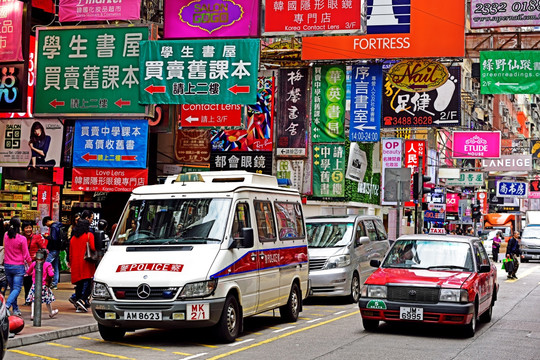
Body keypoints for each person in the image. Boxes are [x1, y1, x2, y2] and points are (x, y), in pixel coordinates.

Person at [3, 217, 32, 316]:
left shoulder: (6, 235)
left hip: (7, 265)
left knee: (12, 289)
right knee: (17, 288)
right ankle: (6, 306)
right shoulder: (22, 239)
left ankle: (15, 309)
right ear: (19, 227)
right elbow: (26, 255)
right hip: (18, 266)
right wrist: (32, 266)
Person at [69, 218, 96, 312]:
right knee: (89, 283)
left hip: (76, 263)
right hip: (86, 263)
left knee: (79, 285)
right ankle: (82, 300)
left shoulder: (73, 238)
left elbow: (70, 253)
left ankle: (78, 301)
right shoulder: (89, 235)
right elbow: (93, 247)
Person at [25, 249, 58, 320]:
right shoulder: (48, 264)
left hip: (35, 285)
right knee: (48, 300)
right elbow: (51, 274)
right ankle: (51, 313)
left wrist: (32, 273)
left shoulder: (34, 263)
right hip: (44, 285)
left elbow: (28, 272)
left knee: (34, 300)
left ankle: (32, 314)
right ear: (46, 257)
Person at [22, 220, 46, 304]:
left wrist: (38, 257)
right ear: (23, 229)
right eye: (26, 228)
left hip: (34, 264)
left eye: (30, 227)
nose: (28, 229)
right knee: (26, 282)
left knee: (33, 282)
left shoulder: (36, 237)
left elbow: (44, 249)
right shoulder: (22, 238)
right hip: (25, 264)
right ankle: (27, 299)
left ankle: (33, 300)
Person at [42, 216, 63, 289]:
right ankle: (54, 284)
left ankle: (43, 281)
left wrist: (47, 237)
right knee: (56, 266)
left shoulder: (53, 227)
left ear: (47, 221)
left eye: (46, 224)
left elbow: (53, 238)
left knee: (46, 264)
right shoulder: (58, 225)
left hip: (53, 249)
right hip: (57, 248)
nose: (47, 226)